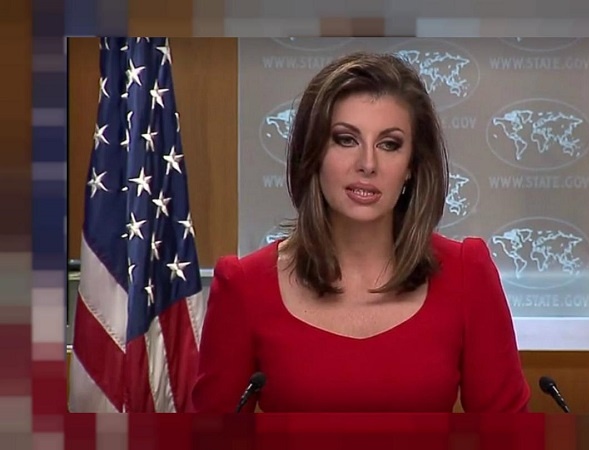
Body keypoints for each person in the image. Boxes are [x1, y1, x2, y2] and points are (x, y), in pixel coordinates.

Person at [190, 51, 530, 413]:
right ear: (313, 153)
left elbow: (508, 433)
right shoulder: (244, 286)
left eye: (389, 144)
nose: (368, 164)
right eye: (345, 139)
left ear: (412, 166)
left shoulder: (466, 274)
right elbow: (212, 433)